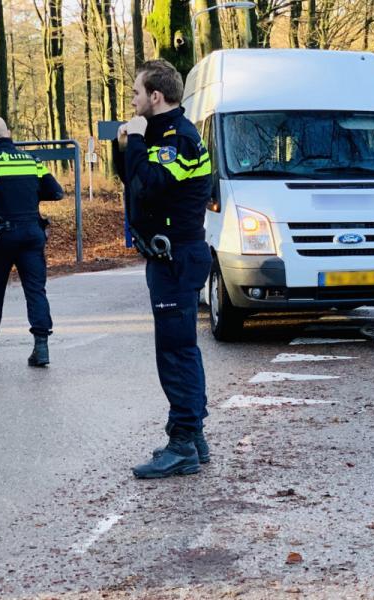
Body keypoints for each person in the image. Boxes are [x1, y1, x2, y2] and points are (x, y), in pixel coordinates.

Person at [113, 59, 213, 479]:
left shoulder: (179, 139)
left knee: (175, 352)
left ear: (156, 96)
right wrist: (125, 148)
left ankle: (183, 445)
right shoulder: (161, 134)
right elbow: (134, 184)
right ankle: (192, 436)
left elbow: (149, 183)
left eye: (136, 93)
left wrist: (135, 143)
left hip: (176, 259)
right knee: (179, 348)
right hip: (168, 257)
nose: (132, 100)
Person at [0, 116, 63, 366]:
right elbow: (55, 191)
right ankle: (41, 347)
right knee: (35, 290)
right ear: (8, 133)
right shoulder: (32, 161)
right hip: (32, 234)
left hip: (1, 235)